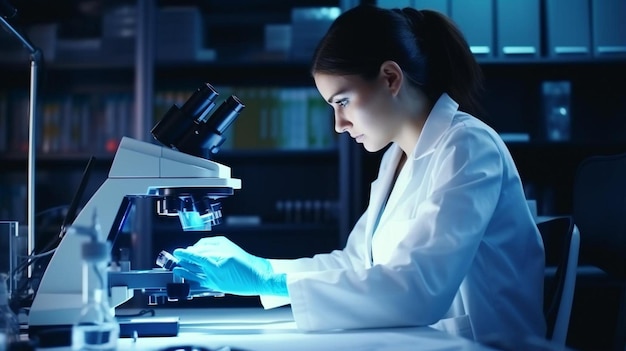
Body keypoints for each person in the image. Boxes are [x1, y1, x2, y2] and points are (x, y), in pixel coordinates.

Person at [171, 4, 546, 343]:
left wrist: (271, 281)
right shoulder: (396, 158)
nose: (338, 124)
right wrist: (262, 268)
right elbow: (355, 264)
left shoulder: (468, 146)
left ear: (390, 78)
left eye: (343, 101)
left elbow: (418, 290)